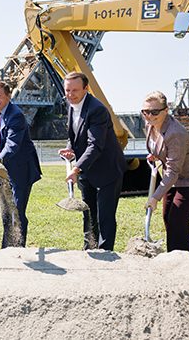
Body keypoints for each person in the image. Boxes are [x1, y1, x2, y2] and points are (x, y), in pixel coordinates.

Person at [58, 71, 125, 251]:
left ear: (86, 89)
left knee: (105, 215)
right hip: (87, 169)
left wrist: (76, 168)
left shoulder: (97, 110)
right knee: (88, 212)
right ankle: (89, 247)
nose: (70, 95)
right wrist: (70, 147)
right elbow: (76, 132)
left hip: (108, 169)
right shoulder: (71, 104)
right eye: (67, 90)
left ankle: (105, 252)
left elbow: (95, 144)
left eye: (75, 90)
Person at [142, 91, 189, 252]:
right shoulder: (150, 125)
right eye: (145, 111)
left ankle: (183, 259)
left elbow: (173, 171)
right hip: (175, 176)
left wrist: (154, 197)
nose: (149, 116)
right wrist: (156, 154)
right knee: (168, 216)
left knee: (178, 219)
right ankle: (173, 254)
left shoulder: (176, 133)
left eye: (154, 112)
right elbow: (160, 147)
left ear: (165, 111)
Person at [0, 81, 41, 247]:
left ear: (8, 96)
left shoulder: (16, 115)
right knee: (6, 212)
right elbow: (0, 141)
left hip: (20, 169)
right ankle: (7, 247)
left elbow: (12, 145)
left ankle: (18, 247)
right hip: (3, 169)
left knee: (17, 210)